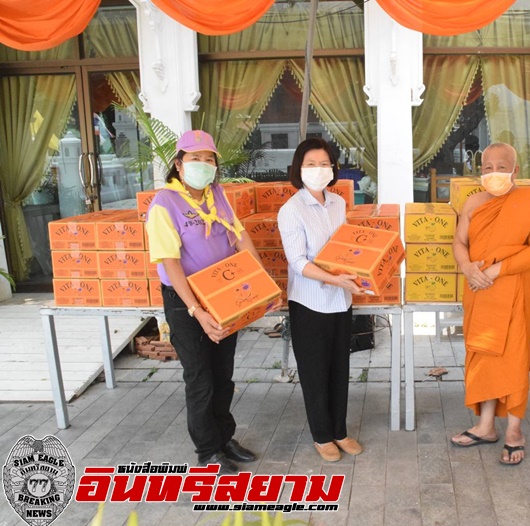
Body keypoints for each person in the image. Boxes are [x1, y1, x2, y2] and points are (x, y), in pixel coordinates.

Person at [146, 130, 259, 475]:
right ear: (179, 165)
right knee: (200, 377)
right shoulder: (164, 204)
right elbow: (170, 263)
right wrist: (196, 310)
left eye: (210, 159)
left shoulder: (218, 194)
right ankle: (207, 451)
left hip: (223, 293)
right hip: (186, 300)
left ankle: (225, 439)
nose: (204, 165)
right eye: (196, 158)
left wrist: (258, 283)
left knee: (223, 374)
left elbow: (239, 236)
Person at [450, 142, 530, 466]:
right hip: (479, 288)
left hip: (514, 285)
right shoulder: (473, 203)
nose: (494, 173)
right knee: (482, 353)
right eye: (487, 168)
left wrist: (496, 269)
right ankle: (485, 426)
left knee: (512, 355)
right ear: (479, 171)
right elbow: (459, 242)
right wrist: (468, 267)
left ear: (516, 170)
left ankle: (514, 430)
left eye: (501, 167)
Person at [277, 138, 365, 462]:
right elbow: (297, 261)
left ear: (333, 168)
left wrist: (358, 275)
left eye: (324, 163)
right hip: (309, 302)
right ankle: (321, 435)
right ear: (299, 169)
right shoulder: (291, 210)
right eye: (311, 164)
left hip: (341, 301)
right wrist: (332, 279)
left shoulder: (338, 203)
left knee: (339, 368)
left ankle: (339, 431)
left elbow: (345, 248)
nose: (318, 169)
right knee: (315, 373)